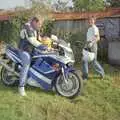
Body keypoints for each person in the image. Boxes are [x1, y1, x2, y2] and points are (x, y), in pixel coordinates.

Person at [18, 17, 44, 96]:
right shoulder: (27, 27)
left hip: (32, 51)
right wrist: (43, 46)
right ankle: (21, 87)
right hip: (24, 51)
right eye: (39, 24)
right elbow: (32, 40)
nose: (40, 26)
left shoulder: (35, 29)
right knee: (27, 64)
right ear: (34, 22)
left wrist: (49, 42)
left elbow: (39, 39)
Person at [82, 16, 105, 80]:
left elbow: (97, 38)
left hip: (93, 46)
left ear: (94, 21)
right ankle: (85, 76)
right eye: (89, 20)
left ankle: (102, 73)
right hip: (87, 45)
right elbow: (88, 39)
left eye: (91, 20)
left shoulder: (95, 28)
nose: (90, 21)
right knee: (84, 60)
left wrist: (91, 43)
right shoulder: (89, 29)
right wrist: (86, 45)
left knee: (94, 62)